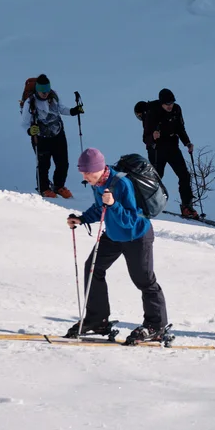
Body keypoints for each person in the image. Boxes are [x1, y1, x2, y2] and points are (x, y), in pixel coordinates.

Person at [66, 148, 172, 346]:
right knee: (93, 269)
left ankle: (156, 325)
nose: (85, 177)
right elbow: (100, 208)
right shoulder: (98, 183)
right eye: (82, 173)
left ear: (98, 168)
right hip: (113, 235)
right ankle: (98, 320)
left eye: (87, 172)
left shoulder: (121, 183)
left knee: (144, 280)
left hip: (136, 236)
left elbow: (131, 219)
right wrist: (81, 219)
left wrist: (114, 204)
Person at [19, 74, 82, 198]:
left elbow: (61, 109)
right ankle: (44, 188)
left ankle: (59, 186)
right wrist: (30, 131)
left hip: (58, 134)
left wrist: (73, 111)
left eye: (47, 91)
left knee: (63, 163)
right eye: (42, 91)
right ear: (37, 89)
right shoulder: (30, 102)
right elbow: (24, 123)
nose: (45, 94)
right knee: (43, 165)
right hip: (41, 138)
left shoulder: (54, 96)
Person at [141, 88, 198, 219]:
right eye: (167, 104)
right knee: (156, 178)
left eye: (171, 103)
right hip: (157, 149)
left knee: (184, 175)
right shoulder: (152, 113)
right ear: (161, 103)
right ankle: (148, 204)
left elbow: (180, 128)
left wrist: (187, 143)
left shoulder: (177, 109)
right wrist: (152, 137)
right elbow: (145, 138)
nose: (170, 106)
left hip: (173, 147)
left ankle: (187, 206)